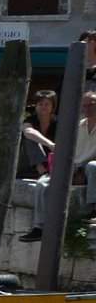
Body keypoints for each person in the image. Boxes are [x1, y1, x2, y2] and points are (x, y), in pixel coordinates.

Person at [21, 91, 96, 242]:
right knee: (42, 184)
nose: (86, 108)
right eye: (84, 105)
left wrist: (81, 168)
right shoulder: (78, 126)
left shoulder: (58, 122)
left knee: (93, 166)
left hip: (88, 167)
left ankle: (93, 210)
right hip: (71, 166)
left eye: (91, 105)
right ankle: (39, 228)